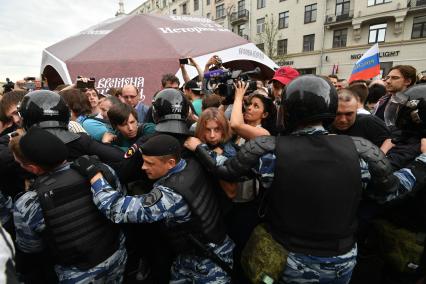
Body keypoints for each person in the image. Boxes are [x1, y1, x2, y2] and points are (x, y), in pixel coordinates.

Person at [186, 75, 426, 284]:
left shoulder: (270, 151)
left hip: (288, 260)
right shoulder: (360, 150)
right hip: (341, 262)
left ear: (286, 111)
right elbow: (393, 190)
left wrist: (199, 147)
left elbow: (226, 170)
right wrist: (422, 161)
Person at [73, 134, 234, 283]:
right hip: (199, 252)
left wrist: (94, 175)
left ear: (171, 163)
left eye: (149, 163)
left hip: (209, 264)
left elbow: (115, 209)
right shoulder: (192, 164)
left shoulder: (170, 195)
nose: (143, 167)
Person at [10, 127, 126, 283]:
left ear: (33, 168)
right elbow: (120, 206)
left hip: (78, 275)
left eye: (20, 163)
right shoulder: (101, 171)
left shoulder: (28, 203)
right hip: (117, 258)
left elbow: (30, 248)